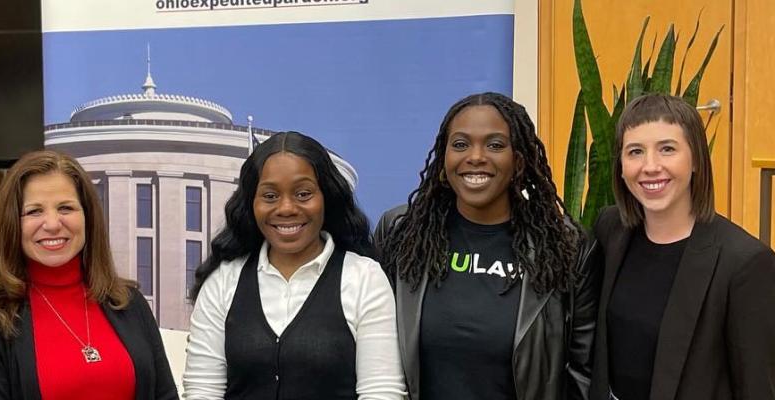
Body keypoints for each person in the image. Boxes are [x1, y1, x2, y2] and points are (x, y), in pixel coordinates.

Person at [375, 92, 598, 400]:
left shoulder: (565, 245)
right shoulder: (401, 233)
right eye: (460, 144)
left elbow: (584, 372)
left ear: (518, 161)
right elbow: (375, 352)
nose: (476, 156)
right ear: (444, 158)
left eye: (495, 145)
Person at [183, 131, 405, 399]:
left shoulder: (364, 279)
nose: (286, 208)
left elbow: (381, 391)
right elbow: (203, 390)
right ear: (251, 203)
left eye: (303, 193)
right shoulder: (223, 282)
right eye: (270, 196)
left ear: (327, 197)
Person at [589, 94, 775, 400]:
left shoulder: (745, 263)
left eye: (667, 149)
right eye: (635, 151)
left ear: (697, 161)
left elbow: (757, 387)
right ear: (620, 167)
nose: (650, 166)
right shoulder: (610, 230)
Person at [0, 150, 178, 399]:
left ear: (87, 217)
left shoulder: (129, 302)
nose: (52, 224)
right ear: (11, 224)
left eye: (66, 208)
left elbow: (165, 394)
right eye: (34, 211)